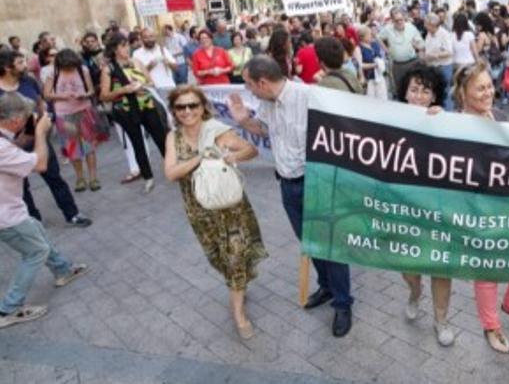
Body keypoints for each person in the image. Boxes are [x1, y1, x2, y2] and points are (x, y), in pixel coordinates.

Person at [229, 56, 354, 337]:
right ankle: (327, 287)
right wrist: (244, 121)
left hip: (316, 183)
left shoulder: (309, 96)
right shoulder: (266, 102)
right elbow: (263, 130)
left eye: (249, 84)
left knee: (330, 245)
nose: (249, 90)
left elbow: (344, 132)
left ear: (262, 82)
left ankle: (343, 303)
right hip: (287, 184)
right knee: (309, 242)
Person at [163, 85, 267, 340]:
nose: (187, 111)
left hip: (230, 207)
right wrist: (201, 157)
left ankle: (239, 314)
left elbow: (251, 150)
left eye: (193, 105)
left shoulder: (218, 131)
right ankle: (238, 283)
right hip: (199, 211)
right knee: (218, 258)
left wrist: (232, 157)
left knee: (234, 258)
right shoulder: (172, 137)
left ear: (202, 107)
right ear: (174, 111)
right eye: (181, 107)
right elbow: (171, 173)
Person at [453, 62, 509, 353]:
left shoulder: (500, 116)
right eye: (480, 88)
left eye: (489, 86)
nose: (488, 92)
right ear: (463, 93)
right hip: (477, 209)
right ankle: (491, 326)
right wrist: (430, 120)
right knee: (487, 270)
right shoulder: (452, 126)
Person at [0, 93, 89, 329]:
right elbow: (40, 164)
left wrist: (30, 132)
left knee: (36, 229)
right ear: (16, 119)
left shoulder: (4, 138)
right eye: (26, 117)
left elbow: (14, 151)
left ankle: (62, 269)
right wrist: (39, 133)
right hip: (6, 216)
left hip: (10, 208)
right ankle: (8, 309)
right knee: (35, 251)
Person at [395, 63, 455, 346]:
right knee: (408, 267)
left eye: (426, 91)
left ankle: (441, 319)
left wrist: (443, 122)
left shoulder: (444, 120)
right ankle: (414, 293)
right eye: (414, 89)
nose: (419, 96)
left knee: (441, 268)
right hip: (405, 209)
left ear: (434, 96)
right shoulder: (389, 121)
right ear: (405, 93)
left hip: (439, 209)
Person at [0, 49, 92, 227]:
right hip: (12, 145)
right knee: (22, 187)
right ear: (6, 67)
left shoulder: (28, 81)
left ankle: (72, 213)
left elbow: (40, 102)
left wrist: (45, 119)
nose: (25, 65)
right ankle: (34, 221)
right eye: (20, 63)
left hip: (38, 138)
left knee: (54, 177)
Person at [100, 33, 167, 193]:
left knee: (161, 138)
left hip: (146, 104)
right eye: (123, 46)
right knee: (137, 143)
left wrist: (142, 86)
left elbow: (151, 81)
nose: (127, 48)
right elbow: (104, 95)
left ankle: (172, 167)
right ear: (115, 50)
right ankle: (148, 177)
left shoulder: (136, 62)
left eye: (127, 45)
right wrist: (124, 90)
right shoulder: (108, 69)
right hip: (127, 110)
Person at [43, 49, 108, 192]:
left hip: (84, 110)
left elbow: (91, 90)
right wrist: (62, 96)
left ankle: (93, 178)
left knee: (88, 146)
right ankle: (80, 178)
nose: (70, 69)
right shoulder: (52, 73)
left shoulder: (82, 70)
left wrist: (83, 94)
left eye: (72, 66)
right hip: (64, 114)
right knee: (72, 148)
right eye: (67, 67)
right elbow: (47, 95)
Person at [377, 8, 424, 96]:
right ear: (392, 21)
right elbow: (378, 37)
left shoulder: (411, 27)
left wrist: (417, 46)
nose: (399, 22)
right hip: (398, 65)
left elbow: (421, 43)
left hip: (412, 63)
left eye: (401, 19)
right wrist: (386, 50)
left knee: (414, 88)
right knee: (400, 89)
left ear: (404, 19)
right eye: (396, 20)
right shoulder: (388, 29)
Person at [422, 13, 454, 109]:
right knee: (436, 93)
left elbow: (449, 52)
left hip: (443, 67)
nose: (424, 26)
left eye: (426, 24)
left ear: (431, 24)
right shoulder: (429, 33)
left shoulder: (444, 34)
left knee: (445, 93)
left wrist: (434, 56)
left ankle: (448, 115)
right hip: (432, 67)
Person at [358, 26, 387, 100]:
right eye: (369, 34)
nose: (371, 35)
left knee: (382, 99)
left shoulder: (374, 44)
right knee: (371, 100)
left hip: (379, 76)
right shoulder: (359, 48)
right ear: (362, 37)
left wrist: (380, 63)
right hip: (369, 79)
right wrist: (375, 65)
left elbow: (381, 55)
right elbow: (360, 65)